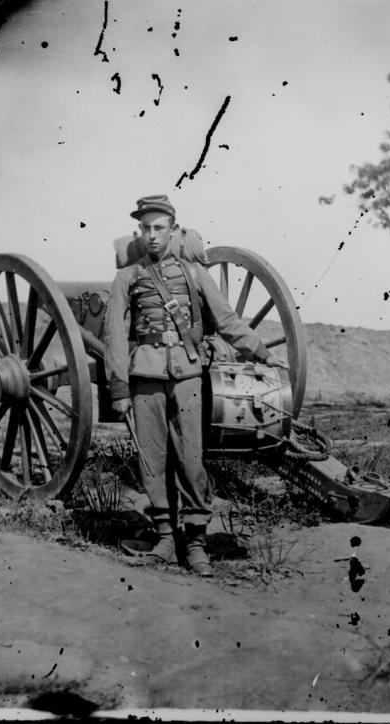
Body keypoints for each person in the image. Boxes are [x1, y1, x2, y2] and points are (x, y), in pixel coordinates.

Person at [103, 194, 288, 577]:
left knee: (191, 458)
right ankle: (167, 539)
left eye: (159, 228)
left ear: (173, 229)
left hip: (187, 376)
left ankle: (197, 542)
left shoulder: (193, 273)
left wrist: (262, 354)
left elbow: (227, 319)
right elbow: (116, 338)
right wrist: (119, 390)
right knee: (152, 460)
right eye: (145, 229)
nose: (152, 236)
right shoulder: (128, 277)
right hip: (145, 380)